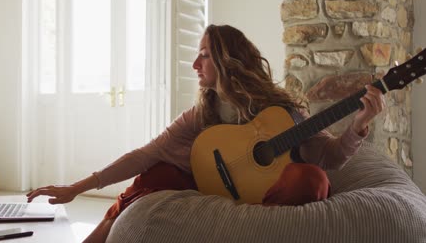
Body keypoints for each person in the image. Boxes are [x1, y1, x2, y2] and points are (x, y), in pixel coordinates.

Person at [26, 24, 385, 242]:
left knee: (311, 177)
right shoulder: (202, 114)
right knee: (158, 171)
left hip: (266, 198)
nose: (194, 65)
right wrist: (77, 188)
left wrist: (357, 125)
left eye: (204, 56)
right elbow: (144, 155)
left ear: (229, 61)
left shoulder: (284, 111)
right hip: (214, 187)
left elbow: (332, 157)